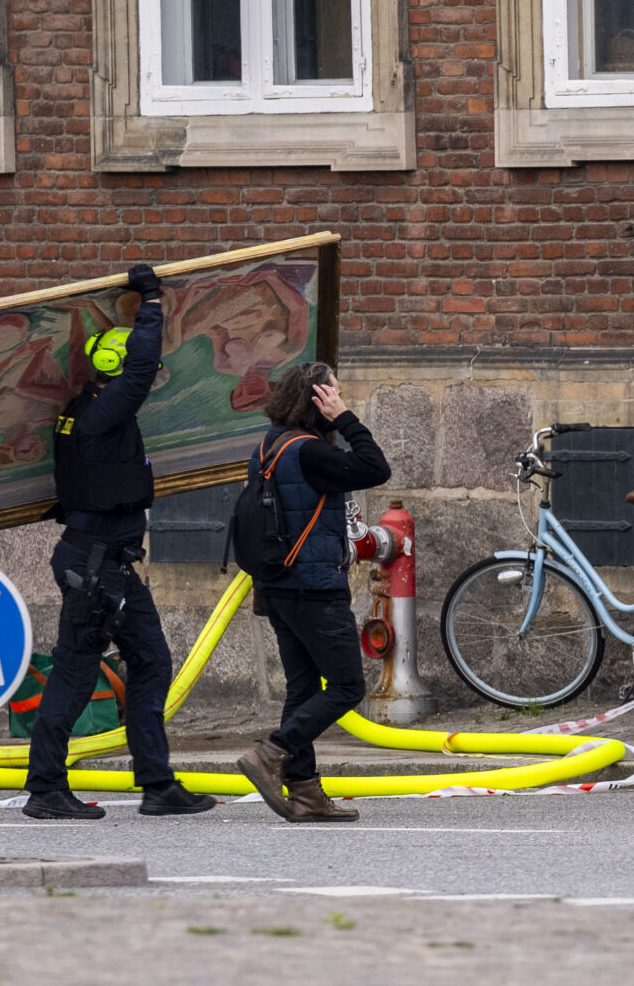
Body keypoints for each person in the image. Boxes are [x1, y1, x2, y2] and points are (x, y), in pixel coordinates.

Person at [23, 265, 220, 822]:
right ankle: (45, 789)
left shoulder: (87, 408)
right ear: (121, 368)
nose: (150, 380)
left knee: (152, 661)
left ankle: (157, 783)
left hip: (110, 565)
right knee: (76, 672)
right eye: (145, 372)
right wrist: (151, 300)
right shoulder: (104, 413)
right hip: (95, 565)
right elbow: (137, 370)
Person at [234, 362, 395, 821]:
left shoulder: (269, 445)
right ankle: (272, 752)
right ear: (317, 399)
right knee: (346, 686)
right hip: (314, 587)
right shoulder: (310, 452)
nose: (339, 400)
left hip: (276, 587)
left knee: (303, 689)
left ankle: (304, 792)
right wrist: (346, 418)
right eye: (334, 394)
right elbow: (375, 468)